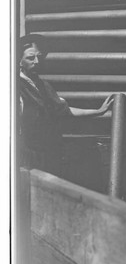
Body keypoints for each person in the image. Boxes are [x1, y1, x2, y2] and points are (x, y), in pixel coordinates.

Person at [18, 34, 114, 176]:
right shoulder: (14, 86)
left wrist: (98, 111)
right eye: (31, 58)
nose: (37, 61)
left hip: (47, 154)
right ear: (19, 61)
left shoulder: (42, 85)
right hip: (27, 155)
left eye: (39, 56)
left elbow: (64, 110)